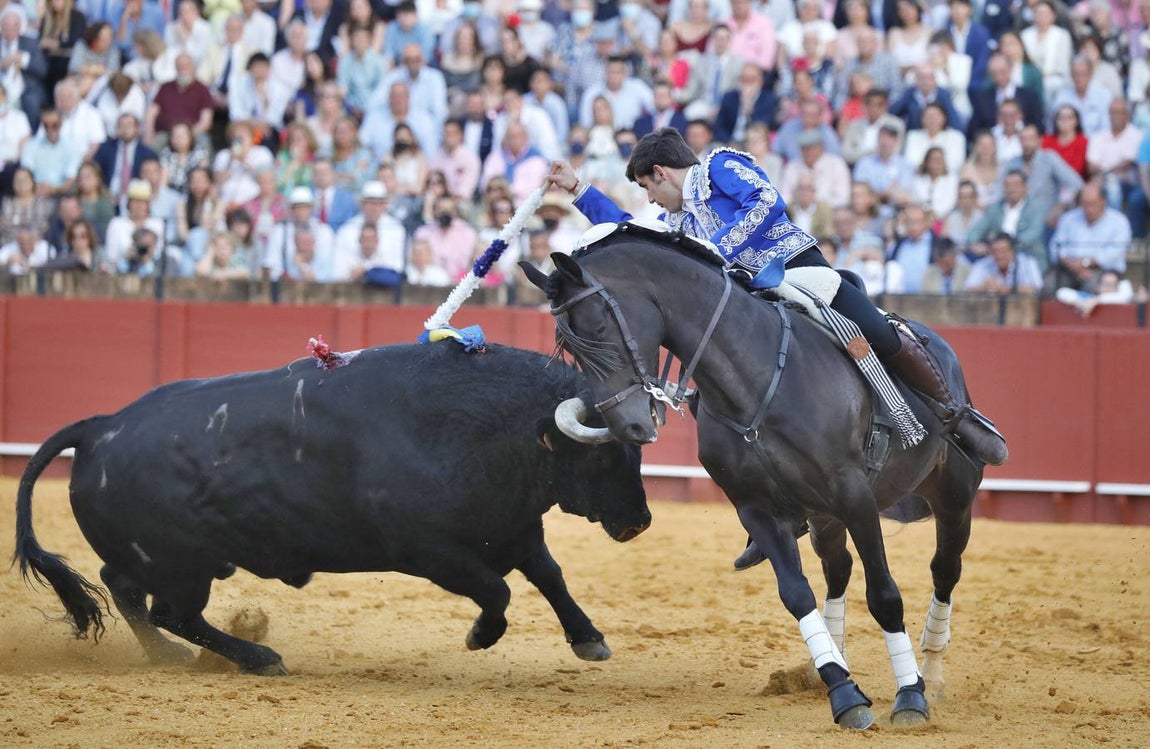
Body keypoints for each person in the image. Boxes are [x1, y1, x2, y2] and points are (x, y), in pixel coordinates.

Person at [545, 127, 1008, 569]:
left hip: (798, 272)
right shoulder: (676, 220)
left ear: (661, 172)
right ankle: (774, 509)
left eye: (648, 187)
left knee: (876, 331)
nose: (649, 199)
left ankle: (956, 416)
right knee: (719, 390)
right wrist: (579, 190)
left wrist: (715, 250)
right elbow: (629, 234)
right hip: (749, 304)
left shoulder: (718, 166)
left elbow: (767, 201)